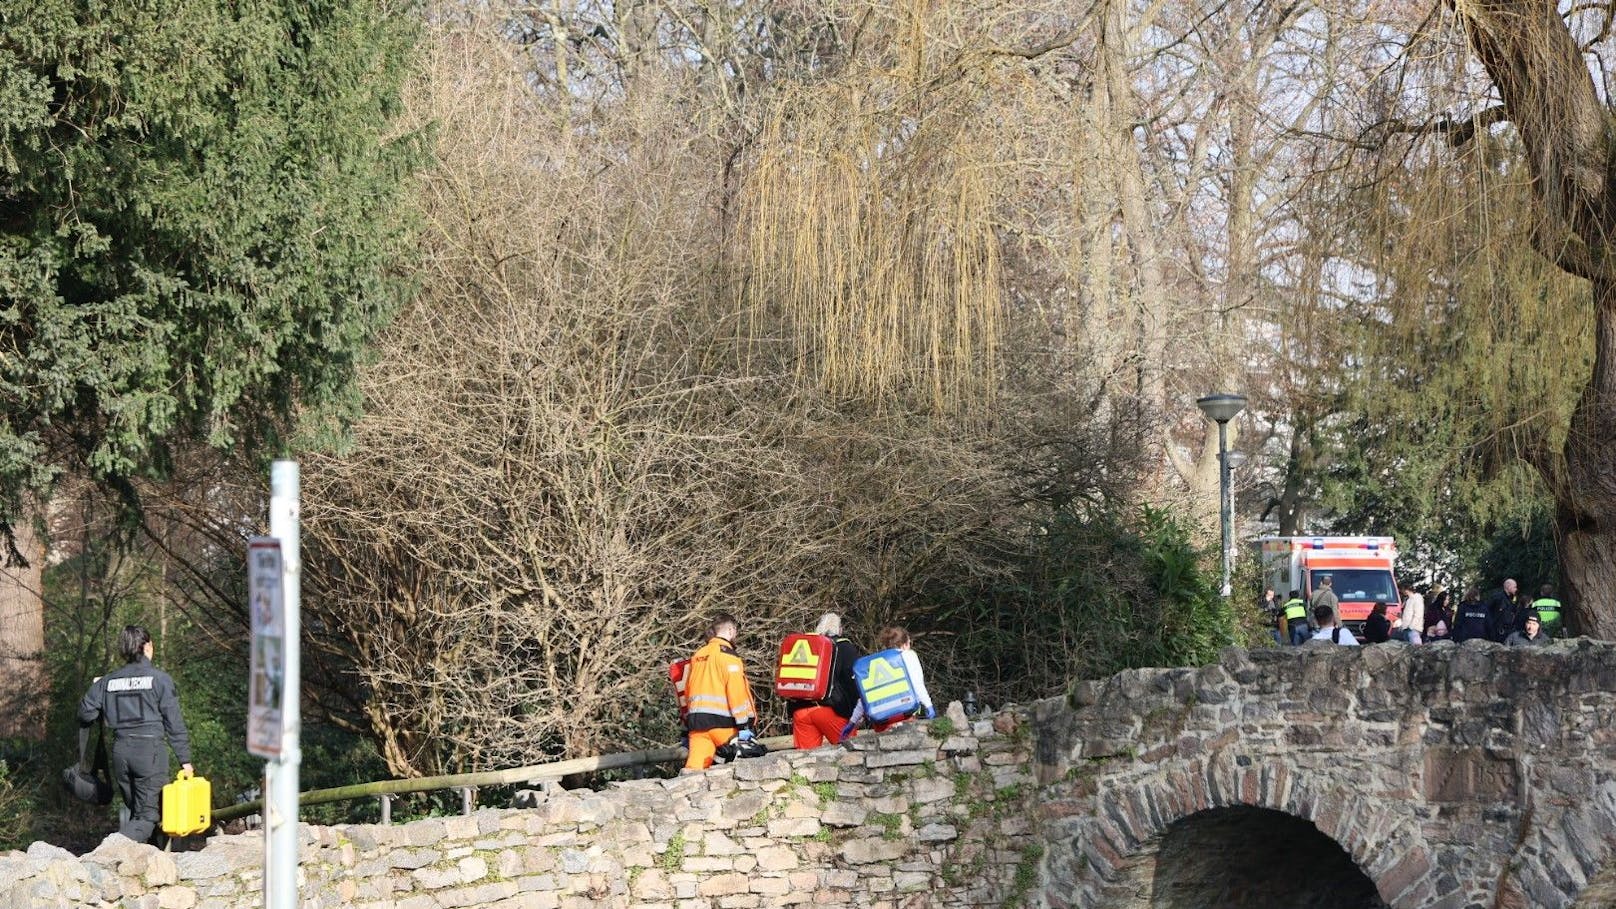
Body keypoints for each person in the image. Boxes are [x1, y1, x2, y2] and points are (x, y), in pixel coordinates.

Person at [77, 625, 194, 843]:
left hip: (121, 753)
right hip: (150, 753)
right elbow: (174, 724)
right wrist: (185, 760)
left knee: (138, 812)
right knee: (149, 815)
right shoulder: (159, 679)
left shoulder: (108, 681)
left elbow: (85, 714)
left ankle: (147, 866)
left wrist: (102, 690)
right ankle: (111, 849)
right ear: (148, 646)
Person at [681, 613, 759, 772]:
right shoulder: (728, 656)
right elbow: (736, 692)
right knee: (747, 765)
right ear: (731, 630)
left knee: (693, 772)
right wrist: (744, 726)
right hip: (725, 726)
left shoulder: (698, 655)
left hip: (698, 725)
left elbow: (687, 689)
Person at [788, 613, 863, 749]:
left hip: (801, 711)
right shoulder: (845, 648)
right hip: (831, 711)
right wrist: (856, 713)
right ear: (840, 630)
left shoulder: (807, 646)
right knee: (850, 755)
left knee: (805, 764)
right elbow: (853, 683)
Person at [844, 625, 936, 736]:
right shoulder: (908, 656)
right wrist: (928, 705)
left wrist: (852, 722)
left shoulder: (872, 664)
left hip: (881, 722)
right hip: (904, 716)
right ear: (906, 643)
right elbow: (918, 685)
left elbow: (865, 698)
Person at [1487, 578, 1521, 643]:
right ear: (1508, 587)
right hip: (1497, 630)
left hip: (1508, 630)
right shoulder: (1497, 597)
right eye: (1514, 587)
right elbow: (1487, 610)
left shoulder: (1513, 598)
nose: (1516, 589)